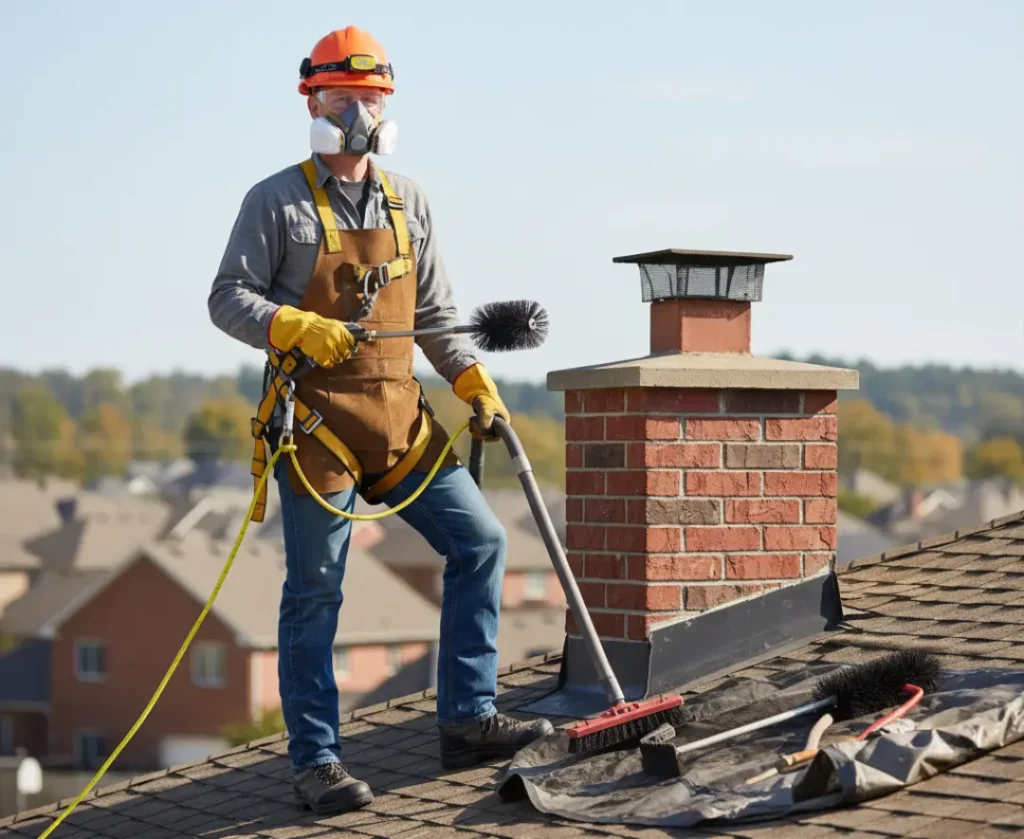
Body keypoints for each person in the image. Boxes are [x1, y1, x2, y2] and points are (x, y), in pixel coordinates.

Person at [207, 26, 553, 815]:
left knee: (482, 540)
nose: (361, 111)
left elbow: (433, 313)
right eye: (346, 97)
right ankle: (318, 761)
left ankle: (467, 715)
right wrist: (289, 325)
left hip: (400, 415)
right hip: (317, 425)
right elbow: (227, 296)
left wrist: (470, 377)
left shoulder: (411, 201)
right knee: (317, 590)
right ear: (314, 100)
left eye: (374, 98)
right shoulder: (276, 200)